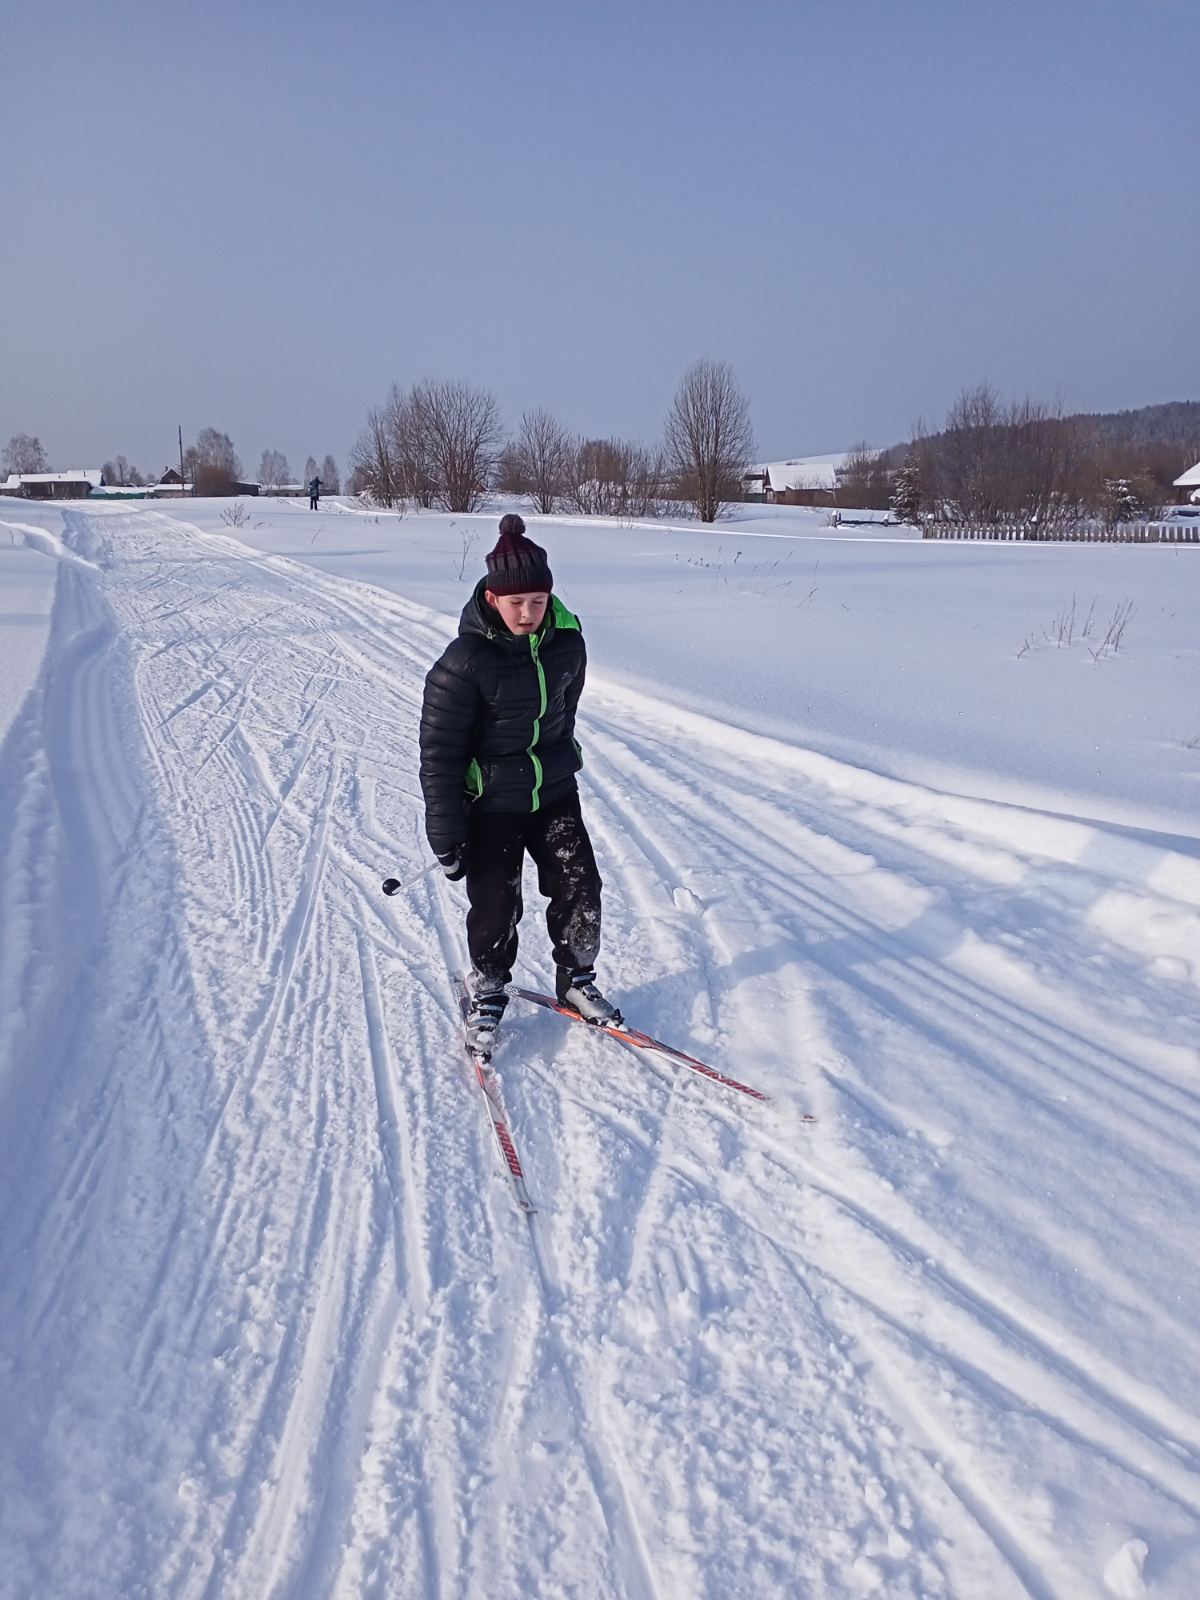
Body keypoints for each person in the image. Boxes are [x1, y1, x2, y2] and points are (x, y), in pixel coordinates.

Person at [419, 513, 620, 1055]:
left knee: (581, 885)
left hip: (552, 790)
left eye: (537, 601)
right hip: (489, 804)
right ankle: (487, 986)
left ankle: (576, 980)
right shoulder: (464, 663)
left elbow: (564, 712)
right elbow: (438, 752)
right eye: (516, 604)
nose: (528, 614)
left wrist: (560, 760)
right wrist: (447, 831)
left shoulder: (567, 644)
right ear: (492, 600)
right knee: (495, 902)